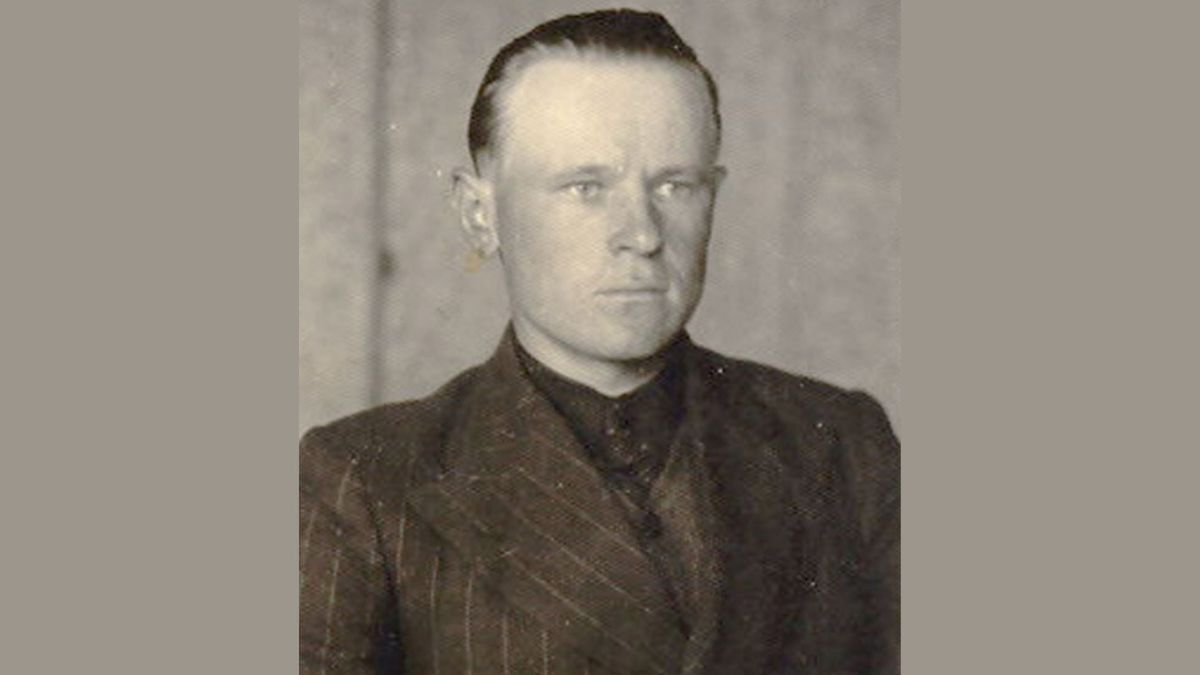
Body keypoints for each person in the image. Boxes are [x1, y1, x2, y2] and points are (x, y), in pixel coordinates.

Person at [300, 9, 899, 674]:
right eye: (586, 188)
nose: (641, 233)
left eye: (675, 185)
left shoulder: (842, 447)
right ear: (479, 215)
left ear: (714, 196)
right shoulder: (364, 484)